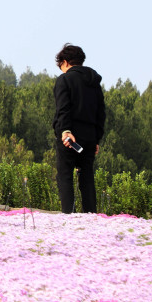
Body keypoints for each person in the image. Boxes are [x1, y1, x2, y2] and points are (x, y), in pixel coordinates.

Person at [52, 43, 106, 213]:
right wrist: (97, 138)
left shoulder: (65, 80)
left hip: (71, 137)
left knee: (65, 175)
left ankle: (69, 215)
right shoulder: (94, 82)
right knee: (87, 177)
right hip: (90, 137)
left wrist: (65, 130)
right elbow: (100, 112)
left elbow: (63, 109)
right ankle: (90, 214)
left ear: (66, 62)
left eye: (61, 66)